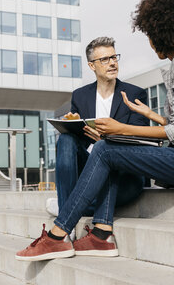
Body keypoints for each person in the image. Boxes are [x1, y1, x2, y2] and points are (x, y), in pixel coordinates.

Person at [16, 0, 174, 261]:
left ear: (162, 33)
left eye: (150, 35)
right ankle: (101, 233)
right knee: (108, 148)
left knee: (107, 148)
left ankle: (57, 236)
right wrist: (154, 116)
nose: (149, 42)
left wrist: (120, 128)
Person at [46, 37, 149, 228]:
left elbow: (141, 140)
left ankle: (64, 208)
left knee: (104, 149)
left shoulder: (135, 94)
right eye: (104, 59)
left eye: (114, 57)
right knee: (66, 140)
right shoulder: (80, 95)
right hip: (91, 169)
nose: (112, 63)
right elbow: (82, 144)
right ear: (92, 66)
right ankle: (67, 217)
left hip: (125, 174)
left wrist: (107, 139)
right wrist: (73, 125)